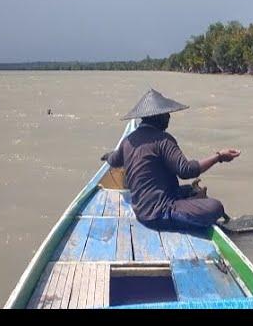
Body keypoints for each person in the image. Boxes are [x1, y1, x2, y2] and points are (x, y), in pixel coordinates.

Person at [101, 89, 240, 231]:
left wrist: (106, 155)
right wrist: (219, 157)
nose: (168, 117)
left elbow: (114, 160)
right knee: (215, 207)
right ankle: (190, 207)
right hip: (158, 214)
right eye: (166, 114)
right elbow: (186, 170)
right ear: (157, 116)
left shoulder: (128, 141)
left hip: (141, 210)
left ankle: (191, 200)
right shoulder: (163, 140)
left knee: (190, 189)